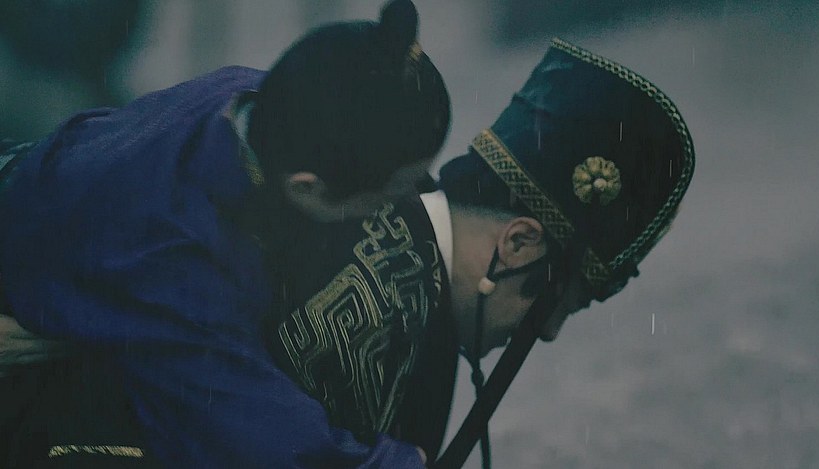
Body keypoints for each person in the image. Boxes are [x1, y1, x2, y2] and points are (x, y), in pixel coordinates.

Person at [2, 36, 695, 468]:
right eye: (566, 303)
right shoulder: (180, 248)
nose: (547, 330)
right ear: (518, 242)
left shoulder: (273, 107)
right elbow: (247, 425)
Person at [0, 0, 451, 467]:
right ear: (307, 187)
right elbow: (256, 431)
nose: (405, 202)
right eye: (391, 193)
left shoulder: (251, 98)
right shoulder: (175, 253)